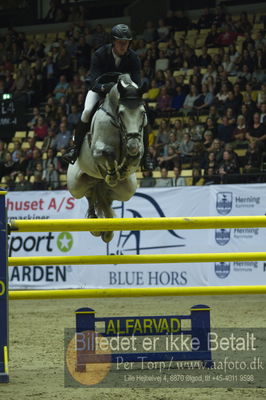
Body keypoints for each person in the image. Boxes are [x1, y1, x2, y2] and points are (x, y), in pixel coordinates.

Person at [63, 24, 142, 164]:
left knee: (143, 112)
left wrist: (128, 90)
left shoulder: (134, 57)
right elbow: (94, 82)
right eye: (121, 43)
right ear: (113, 42)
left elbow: (137, 83)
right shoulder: (99, 54)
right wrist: (107, 88)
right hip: (100, 90)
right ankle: (74, 149)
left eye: (127, 43)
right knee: (87, 112)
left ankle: (146, 155)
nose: (124, 46)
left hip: (122, 94)